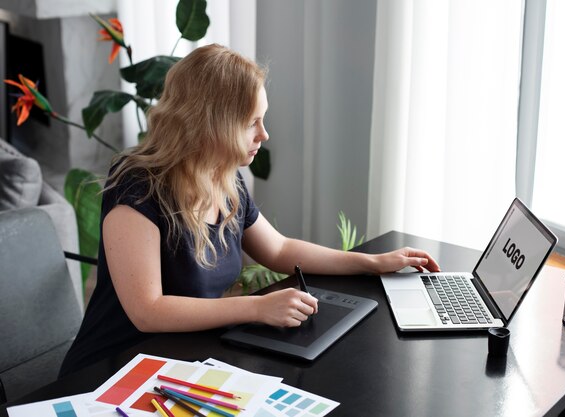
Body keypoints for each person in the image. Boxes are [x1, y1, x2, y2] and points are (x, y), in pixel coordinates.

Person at [59, 44, 440, 377]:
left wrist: (371, 263)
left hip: (179, 359)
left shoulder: (225, 179)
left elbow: (278, 251)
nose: (264, 134)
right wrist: (257, 308)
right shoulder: (137, 189)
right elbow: (148, 310)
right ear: (212, 125)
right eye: (251, 123)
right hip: (112, 370)